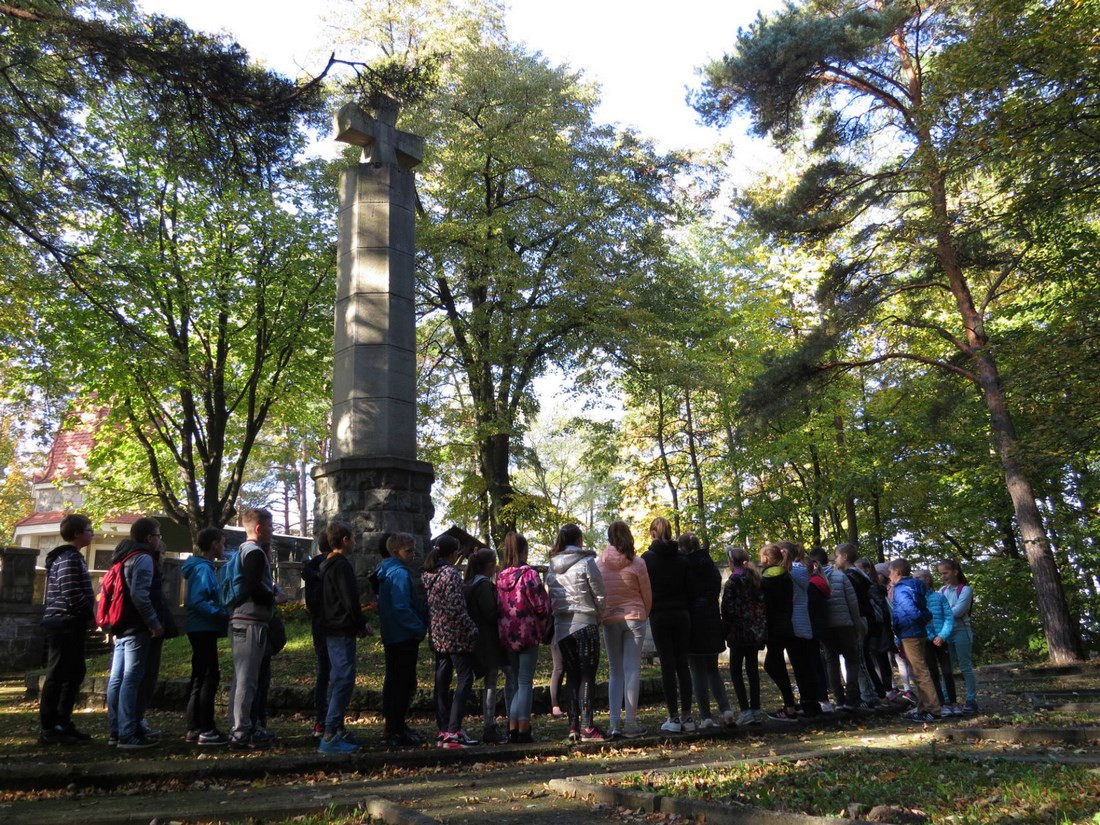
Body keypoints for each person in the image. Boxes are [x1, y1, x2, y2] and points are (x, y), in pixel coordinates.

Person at [105, 517, 164, 750]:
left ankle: (116, 729)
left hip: (120, 624)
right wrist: (154, 623)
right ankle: (128, 733)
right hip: (137, 626)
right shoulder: (143, 558)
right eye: (158, 535)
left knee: (117, 678)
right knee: (131, 678)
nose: (159, 540)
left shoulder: (123, 557)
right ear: (149, 538)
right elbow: (140, 595)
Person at [39, 513, 96, 745]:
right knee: (58, 673)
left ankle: (63, 722)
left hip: (70, 621)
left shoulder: (73, 557)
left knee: (74, 673)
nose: (93, 533)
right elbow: (71, 591)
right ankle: (50, 726)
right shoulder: (68, 558)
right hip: (64, 622)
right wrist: (89, 614)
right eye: (89, 529)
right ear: (77, 533)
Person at [547, 523, 606, 743]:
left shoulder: (552, 566)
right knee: (587, 675)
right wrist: (599, 615)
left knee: (571, 675)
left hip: (562, 627)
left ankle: (573, 727)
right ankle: (587, 726)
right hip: (585, 622)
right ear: (579, 540)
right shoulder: (586, 562)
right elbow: (599, 593)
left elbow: (551, 596)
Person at [423, 534, 480, 748]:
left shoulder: (429, 574)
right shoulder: (451, 574)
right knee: (465, 678)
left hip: (438, 634)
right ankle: (453, 730)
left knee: (442, 680)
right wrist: (471, 627)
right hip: (455, 634)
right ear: (453, 553)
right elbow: (456, 606)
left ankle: (444, 727)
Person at [317, 520, 369, 754]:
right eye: (354, 538)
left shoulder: (326, 565)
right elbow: (350, 599)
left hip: (331, 628)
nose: (355, 542)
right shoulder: (341, 566)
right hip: (341, 629)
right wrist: (361, 623)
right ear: (345, 540)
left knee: (338, 678)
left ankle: (336, 728)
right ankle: (330, 734)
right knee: (343, 680)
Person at [597, 520, 652, 739]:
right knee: (632, 670)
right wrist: (644, 613)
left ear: (609, 537)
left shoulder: (599, 563)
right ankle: (630, 723)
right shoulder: (637, 563)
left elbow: (598, 594)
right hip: (634, 618)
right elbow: (647, 594)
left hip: (610, 619)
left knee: (615, 671)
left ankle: (613, 724)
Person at [227, 507, 276, 751]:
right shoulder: (255, 553)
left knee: (242, 678)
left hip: (243, 620)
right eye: (270, 526)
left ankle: (240, 727)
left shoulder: (243, 551)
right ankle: (240, 733)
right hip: (250, 622)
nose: (272, 530)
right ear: (258, 528)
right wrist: (274, 597)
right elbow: (254, 587)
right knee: (247, 679)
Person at [495, 531, 551, 743]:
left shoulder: (501, 576)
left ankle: (512, 728)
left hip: (507, 633)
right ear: (524, 550)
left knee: (516, 682)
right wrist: (544, 620)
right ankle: (523, 729)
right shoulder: (530, 575)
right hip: (527, 632)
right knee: (525, 681)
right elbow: (541, 604)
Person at [642, 517, 694, 733]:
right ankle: (687, 716)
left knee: (667, 665)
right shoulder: (682, 558)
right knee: (683, 664)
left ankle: (673, 717)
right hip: (682, 613)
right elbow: (690, 587)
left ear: (653, 533)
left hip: (660, 614)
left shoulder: (647, 559)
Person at [376, 532, 428, 747]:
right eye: (408, 551)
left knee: (395, 681)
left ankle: (396, 724)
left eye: (413, 550)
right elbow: (401, 606)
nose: (413, 554)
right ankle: (395, 728)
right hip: (403, 635)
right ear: (396, 551)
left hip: (392, 634)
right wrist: (418, 627)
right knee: (403, 683)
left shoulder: (385, 570)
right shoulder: (399, 574)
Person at [181, 527, 229, 746]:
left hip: (198, 627)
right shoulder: (203, 569)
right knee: (210, 676)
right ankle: (207, 729)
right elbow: (198, 601)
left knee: (199, 676)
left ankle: (194, 727)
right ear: (213, 544)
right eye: (222, 543)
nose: (224, 547)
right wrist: (221, 613)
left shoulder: (200, 567)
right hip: (204, 627)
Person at [680, 532, 732, 728]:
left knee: (697, 672)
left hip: (693, 623)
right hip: (711, 621)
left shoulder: (684, 566)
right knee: (713, 670)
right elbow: (714, 591)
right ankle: (726, 710)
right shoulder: (710, 565)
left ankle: (706, 717)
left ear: (683, 548)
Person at [809, 546, 863, 711]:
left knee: (831, 661)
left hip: (826, 627)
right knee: (852, 659)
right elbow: (853, 603)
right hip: (845, 625)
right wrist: (857, 625)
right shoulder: (840, 576)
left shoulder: (812, 580)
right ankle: (851, 698)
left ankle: (839, 699)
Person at [889, 558, 940, 722]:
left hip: (910, 633)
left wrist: (900, 625)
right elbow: (922, 608)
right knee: (917, 671)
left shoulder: (900, 589)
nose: (889, 576)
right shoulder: (916, 585)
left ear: (897, 572)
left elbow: (910, 610)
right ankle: (922, 708)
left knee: (920, 672)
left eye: (890, 572)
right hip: (917, 632)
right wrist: (924, 618)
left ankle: (934, 710)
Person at [465, 548, 507, 743]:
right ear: (489, 565)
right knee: (491, 683)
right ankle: (489, 725)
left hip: (477, 638)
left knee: (489, 681)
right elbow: (490, 612)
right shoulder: (483, 586)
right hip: (488, 639)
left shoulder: (469, 584)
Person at [721, 547, 767, 725]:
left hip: (738, 632)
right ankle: (756, 709)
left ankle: (745, 710)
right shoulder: (755, 579)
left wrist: (725, 630)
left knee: (735, 670)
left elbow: (727, 609)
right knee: (752, 670)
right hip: (754, 632)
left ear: (732, 562)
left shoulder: (732, 582)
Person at [758, 542, 799, 721]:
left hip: (773, 627)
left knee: (771, 665)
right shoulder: (786, 576)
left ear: (766, 559)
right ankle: (790, 705)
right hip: (786, 624)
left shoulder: (766, 580)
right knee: (778, 665)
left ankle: (790, 707)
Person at [781, 541, 822, 717]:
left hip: (793, 623)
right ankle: (812, 702)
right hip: (804, 622)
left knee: (800, 667)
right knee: (807, 665)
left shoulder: (787, 573)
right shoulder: (803, 571)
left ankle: (807, 703)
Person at [938, 558, 979, 714]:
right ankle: (947, 698)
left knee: (965, 666)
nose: (943, 576)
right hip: (946, 633)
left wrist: (944, 613)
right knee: (947, 667)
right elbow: (938, 609)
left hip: (962, 631)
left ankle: (971, 699)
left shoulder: (965, 590)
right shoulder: (942, 590)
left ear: (955, 572)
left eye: (945, 573)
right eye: (941, 574)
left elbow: (959, 610)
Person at [302, 531, 332, 739]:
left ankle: (321, 721)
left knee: (323, 672)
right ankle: (330, 721)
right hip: (334, 626)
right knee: (336, 674)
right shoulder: (333, 566)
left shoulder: (311, 567)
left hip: (318, 624)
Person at [916, 569, 958, 716]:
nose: (915, 580)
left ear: (927, 579)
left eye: (918, 577)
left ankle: (952, 702)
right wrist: (931, 636)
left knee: (947, 671)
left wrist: (942, 636)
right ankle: (940, 703)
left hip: (942, 640)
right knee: (932, 672)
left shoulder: (939, 597)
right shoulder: (917, 599)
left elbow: (949, 617)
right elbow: (919, 620)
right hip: (927, 641)